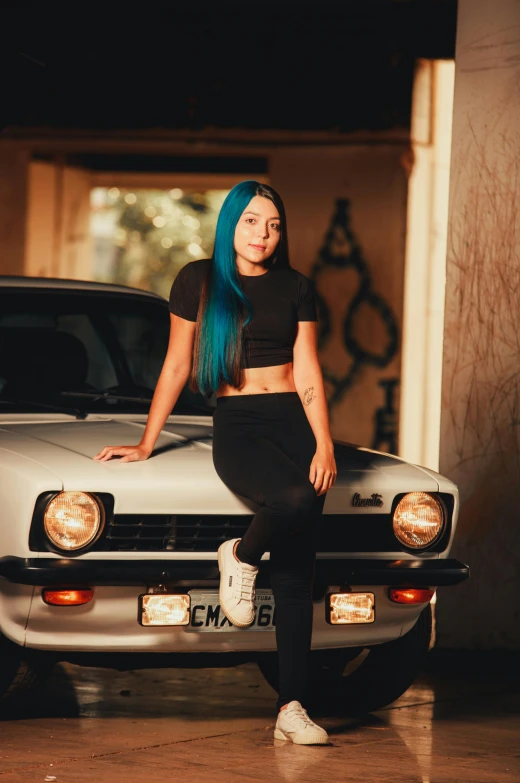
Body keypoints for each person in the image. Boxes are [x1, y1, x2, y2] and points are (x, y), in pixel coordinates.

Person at [93, 181, 337, 745]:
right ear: (231, 223)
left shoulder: (296, 287)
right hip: (241, 426)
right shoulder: (198, 282)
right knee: (293, 499)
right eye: (252, 222)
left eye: (273, 225)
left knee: (299, 575)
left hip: (294, 425)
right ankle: (241, 555)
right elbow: (177, 366)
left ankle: (292, 708)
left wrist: (324, 443)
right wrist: (146, 442)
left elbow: (307, 371)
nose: (263, 235)